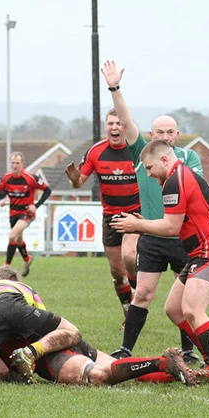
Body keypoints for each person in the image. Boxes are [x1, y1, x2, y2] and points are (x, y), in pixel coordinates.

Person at [101, 60, 204, 364]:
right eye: (159, 131)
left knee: (185, 300)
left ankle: (189, 351)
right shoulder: (141, 153)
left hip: (184, 236)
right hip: (153, 235)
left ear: (177, 134)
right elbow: (125, 118)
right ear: (151, 133)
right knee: (143, 293)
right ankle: (125, 349)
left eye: (170, 132)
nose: (164, 136)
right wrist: (114, 88)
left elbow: (195, 186)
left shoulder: (189, 158)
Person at [0, 267, 194, 387]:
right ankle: (163, 364)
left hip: (46, 355)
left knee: (97, 371)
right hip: (47, 349)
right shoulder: (24, 291)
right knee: (96, 366)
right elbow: (45, 319)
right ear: (14, 282)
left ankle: (168, 367)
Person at [111, 139, 209, 383]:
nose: (148, 174)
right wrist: (142, 223)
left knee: (192, 309)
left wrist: (138, 225)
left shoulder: (175, 181)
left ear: (164, 160)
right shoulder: (181, 175)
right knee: (174, 310)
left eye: (149, 168)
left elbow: (170, 227)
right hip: (201, 253)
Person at [0, 268, 82, 387]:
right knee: (72, 332)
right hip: (15, 305)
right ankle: (29, 353)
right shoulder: (23, 286)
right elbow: (44, 329)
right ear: (13, 279)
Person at [64, 109, 137, 321]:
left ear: (126, 126)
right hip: (110, 216)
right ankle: (128, 311)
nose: (115, 127)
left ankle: (139, 300)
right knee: (117, 271)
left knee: (130, 257)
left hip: (135, 214)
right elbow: (78, 184)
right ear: (106, 127)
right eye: (111, 124)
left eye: (119, 123)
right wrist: (75, 179)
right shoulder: (96, 151)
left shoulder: (136, 149)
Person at [0, 152, 52, 277]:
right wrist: (0, 200)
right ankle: (27, 259)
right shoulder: (6, 178)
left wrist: (36, 205)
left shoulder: (30, 178)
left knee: (12, 235)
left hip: (26, 213)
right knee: (18, 240)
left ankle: (6, 266)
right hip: (13, 212)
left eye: (17, 163)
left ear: (22, 164)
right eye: (13, 163)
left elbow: (48, 190)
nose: (15, 166)